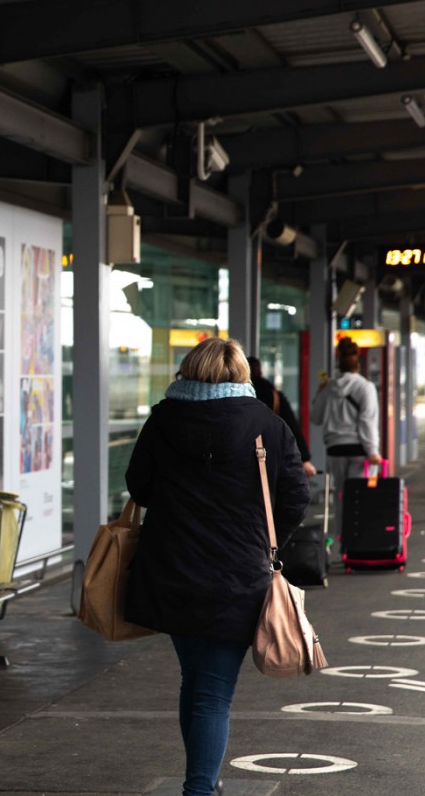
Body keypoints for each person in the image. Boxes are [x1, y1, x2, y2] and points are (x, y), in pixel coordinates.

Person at [124, 338, 309, 796]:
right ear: (243, 373)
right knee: (211, 691)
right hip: (237, 576)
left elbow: (138, 485)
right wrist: (264, 545)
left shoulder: (163, 419)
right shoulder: (267, 423)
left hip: (170, 570)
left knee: (198, 679)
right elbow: (295, 498)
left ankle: (203, 781)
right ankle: (200, 789)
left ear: (190, 369)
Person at [309, 337, 381, 542]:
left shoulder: (329, 387)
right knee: (359, 496)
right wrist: (373, 450)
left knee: (341, 496)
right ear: (358, 363)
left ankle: (342, 538)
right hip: (359, 449)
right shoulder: (365, 387)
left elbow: (315, 417)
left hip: (335, 450)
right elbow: (367, 421)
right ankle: (357, 539)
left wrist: (319, 393)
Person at [248, 358, 316, 478]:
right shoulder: (274, 395)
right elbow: (292, 425)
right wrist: (305, 459)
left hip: (245, 450)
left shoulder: (239, 395)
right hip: (270, 451)